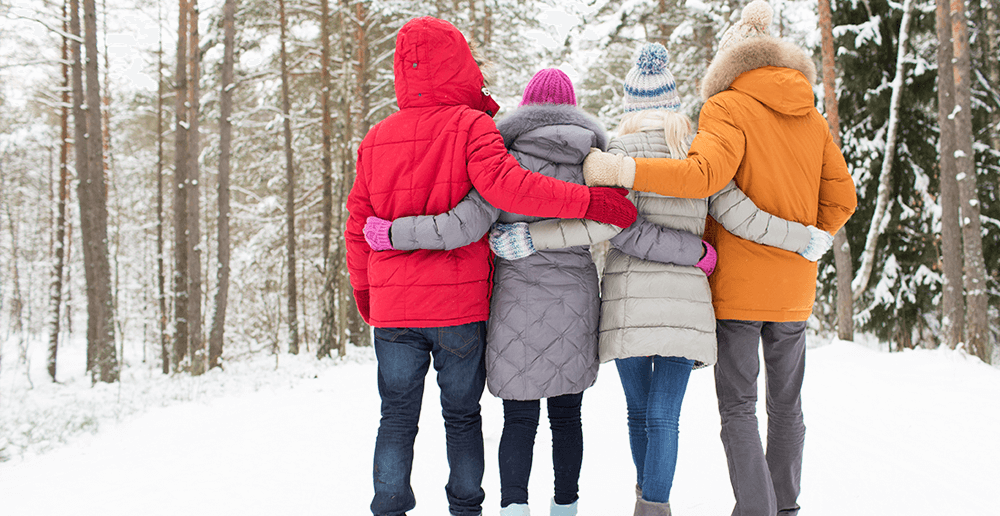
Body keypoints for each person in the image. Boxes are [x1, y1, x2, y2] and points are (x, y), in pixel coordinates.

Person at [345, 17, 638, 516]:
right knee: (461, 417)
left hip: (394, 308)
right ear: (457, 64)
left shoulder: (377, 137)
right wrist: (588, 201)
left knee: (395, 417)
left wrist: (368, 296)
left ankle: (389, 505)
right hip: (456, 305)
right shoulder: (471, 126)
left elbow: (358, 224)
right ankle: (466, 508)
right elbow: (510, 188)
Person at [581, 3, 858, 515]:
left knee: (738, 408)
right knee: (787, 405)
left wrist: (623, 169)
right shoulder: (813, 117)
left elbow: (703, 178)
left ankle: (756, 509)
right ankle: (786, 506)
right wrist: (805, 239)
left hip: (737, 287)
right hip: (794, 287)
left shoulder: (726, 107)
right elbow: (843, 200)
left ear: (730, 62)